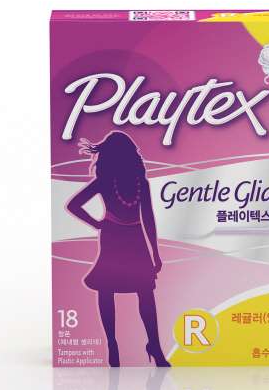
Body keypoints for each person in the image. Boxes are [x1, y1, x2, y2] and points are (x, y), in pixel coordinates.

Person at [66, 131, 170, 367]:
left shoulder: (140, 182)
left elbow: (148, 217)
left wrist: (155, 252)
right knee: (108, 287)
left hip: (135, 239)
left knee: (144, 291)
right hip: (113, 237)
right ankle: (112, 345)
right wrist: (96, 224)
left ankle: (153, 345)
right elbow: (73, 205)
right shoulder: (105, 181)